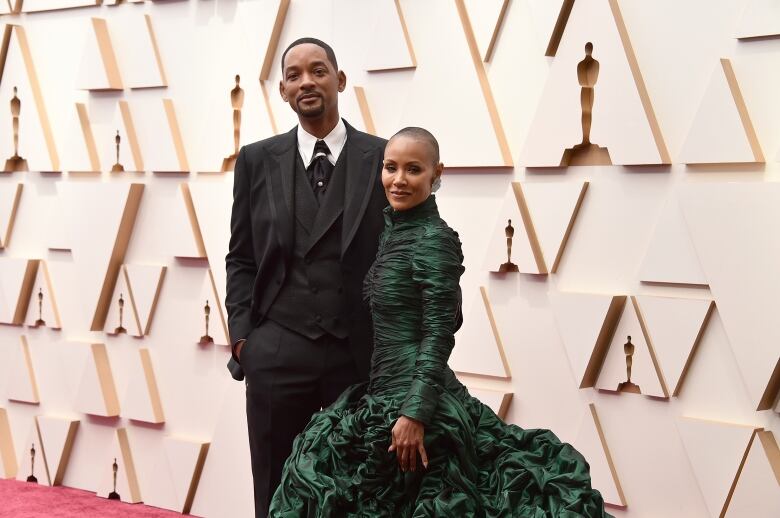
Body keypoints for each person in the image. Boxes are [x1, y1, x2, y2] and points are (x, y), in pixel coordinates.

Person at [269, 127, 612, 517]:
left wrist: (414, 413)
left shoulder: (434, 239)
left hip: (415, 407)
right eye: (390, 167)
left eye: (413, 169)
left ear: (436, 175)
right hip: (381, 395)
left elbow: (438, 333)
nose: (398, 180)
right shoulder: (394, 232)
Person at [224, 38, 387, 518]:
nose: (306, 82)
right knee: (275, 487)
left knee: (358, 489)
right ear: (281, 90)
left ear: (339, 81)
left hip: (355, 353)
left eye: (318, 71)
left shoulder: (382, 157)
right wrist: (242, 339)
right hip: (276, 349)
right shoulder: (256, 159)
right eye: (294, 75)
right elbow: (241, 255)